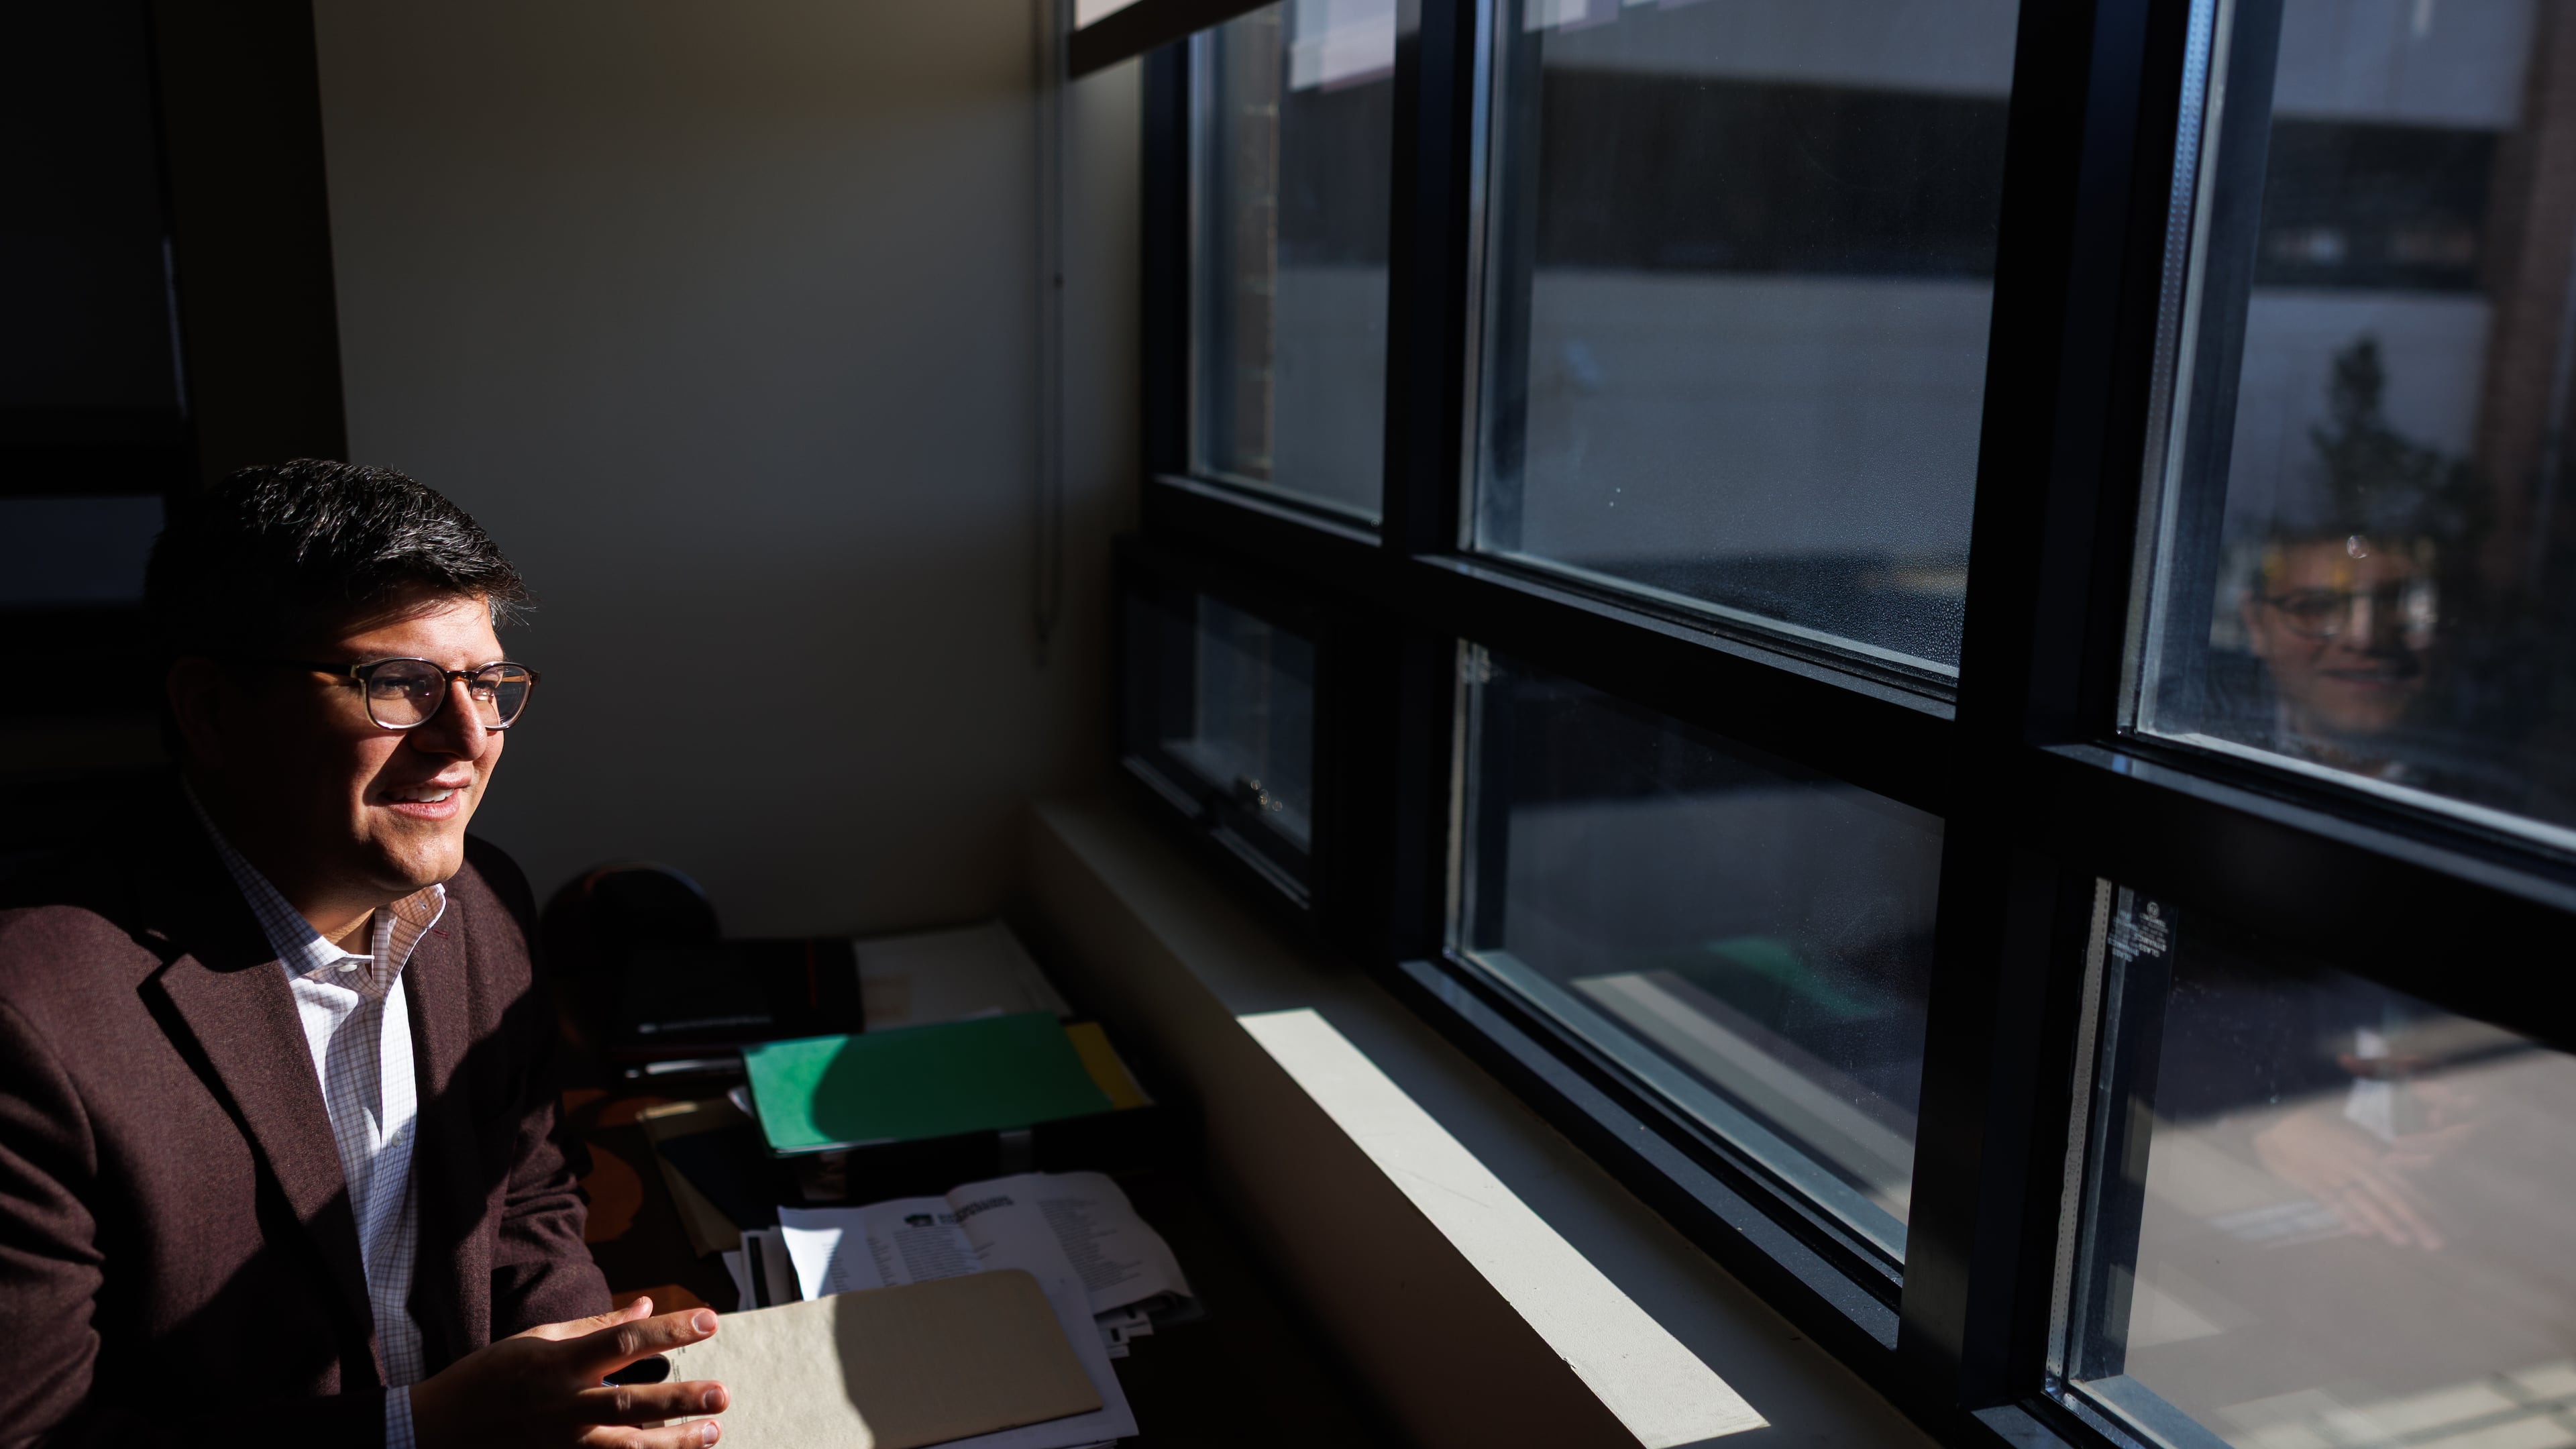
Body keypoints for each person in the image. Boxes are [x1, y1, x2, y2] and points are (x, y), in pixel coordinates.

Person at [0, 462, 731, 1447]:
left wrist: (592, 1392)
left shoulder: (485, 905)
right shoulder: (34, 1018)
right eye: (400, 686)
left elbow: (525, 1199)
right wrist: (418, 1430)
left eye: (485, 684)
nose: (467, 739)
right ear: (211, 710)